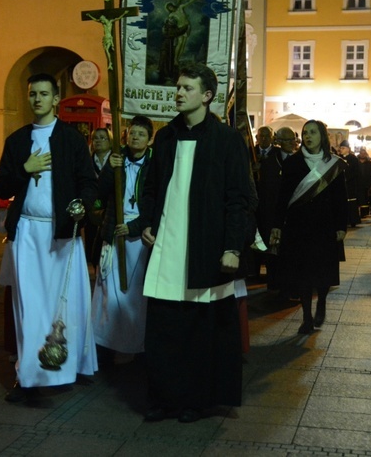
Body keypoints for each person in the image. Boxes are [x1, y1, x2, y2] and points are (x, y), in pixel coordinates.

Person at [139, 62, 250, 423]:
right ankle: (164, 398)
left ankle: (196, 401)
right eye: (178, 87)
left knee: (200, 331)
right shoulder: (166, 136)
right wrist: (147, 223)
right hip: (168, 246)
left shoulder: (227, 140)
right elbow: (152, 188)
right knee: (164, 329)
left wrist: (233, 247)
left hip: (205, 247)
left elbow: (240, 198)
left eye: (187, 88)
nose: (179, 93)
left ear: (207, 95)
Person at [0, 73, 98, 402]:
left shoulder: (71, 140)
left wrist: (82, 205)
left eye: (44, 94)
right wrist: (24, 168)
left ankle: (67, 367)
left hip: (62, 233)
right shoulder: (17, 141)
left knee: (64, 302)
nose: (37, 99)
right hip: (26, 232)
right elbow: (1, 188)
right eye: (32, 94)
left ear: (56, 99)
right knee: (29, 305)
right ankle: (28, 376)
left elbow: (89, 182)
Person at [270, 120, 348, 334]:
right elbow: (283, 197)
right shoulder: (292, 163)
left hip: (325, 225)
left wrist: (341, 225)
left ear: (322, 136)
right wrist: (277, 225)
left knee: (323, 271)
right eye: (305, 133)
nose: (308, 136)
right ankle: (306, 317)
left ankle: (321, 300)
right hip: (299, 226)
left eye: (313, 133)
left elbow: (340, 199)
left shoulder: (334, 164)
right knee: (302, 273)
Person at [91, 116, 153, 364]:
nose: (135, 137)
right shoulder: (117, 160)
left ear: (150, 139)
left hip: (138, 237)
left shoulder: (154, 164)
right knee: (108, 291)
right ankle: (105, 345)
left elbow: (155, 201)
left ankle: (136, 347)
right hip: (114, 231)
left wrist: (135, 227)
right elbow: (99, 195)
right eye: (132, 133)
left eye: (141, 134)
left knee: (135, 295)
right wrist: (109, 170)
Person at [256, 126, 297, 296]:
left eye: (293, 140)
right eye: (287, 140)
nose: (291, 143)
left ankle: (290, 285)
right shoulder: (270, 161)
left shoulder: (299, 160)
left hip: (292, 213)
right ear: (278, 142)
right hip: (272, 212)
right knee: (273, 250)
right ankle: (273, 283)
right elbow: (265, 190)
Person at [85, 128, 113, 267]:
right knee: (91, 235)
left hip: (110, 204)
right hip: (93, 204)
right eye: (95, 138)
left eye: (102, 138)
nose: (98, 141)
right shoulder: (87, 161)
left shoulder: (114, 160)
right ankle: (92, 262)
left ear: (110, 141)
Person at [339, 140, 361, 227]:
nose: (341, 150)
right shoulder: (338, 158)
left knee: (351, 203)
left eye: (343, 148)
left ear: (348, 149)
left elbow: (356, 172)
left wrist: (348, 178)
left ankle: (353, 220)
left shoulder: (353, 159)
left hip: (351, 184)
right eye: (340, 148)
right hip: (342, 184)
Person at [358, 148, 371, 216]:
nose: (363, 155)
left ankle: (369, 211)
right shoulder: (357, 163)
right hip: (360, 184)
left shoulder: (370, 164)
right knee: (362, 199)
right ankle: (363, 212)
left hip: (368, 184)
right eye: (361, 153)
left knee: (369, 198)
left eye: (364, 153)